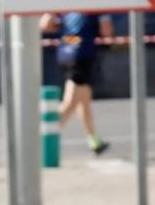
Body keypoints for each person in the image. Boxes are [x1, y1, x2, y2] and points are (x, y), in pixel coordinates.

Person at [47, 11, 110, 155]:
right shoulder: (97, 6)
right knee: (70, 102)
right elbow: (107, 30)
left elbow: (45, 23)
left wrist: (62, 27)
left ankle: (93, 140)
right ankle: (43, 135)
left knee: (83, 100)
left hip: (65, 52)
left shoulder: (65, 4)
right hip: (83, 54)